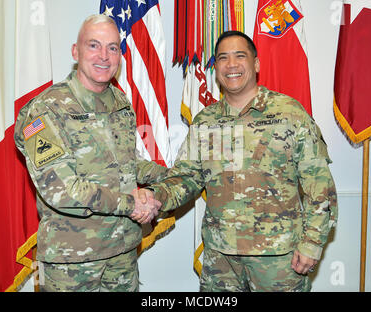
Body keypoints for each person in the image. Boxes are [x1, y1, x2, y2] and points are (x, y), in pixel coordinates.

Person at [134, 31, 338, 292]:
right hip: (220, 260)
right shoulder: (206, 121)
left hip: (278, 260)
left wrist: (312, 243)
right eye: (223, 58)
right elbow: (186, 178)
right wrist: (154, 195)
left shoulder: (289, 113)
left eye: (239, 56)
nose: (231, 65)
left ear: (256, 64)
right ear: (216, 67)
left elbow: (319, 185)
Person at [14, 14, 165, 292]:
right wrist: (132, 205)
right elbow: (63, 190)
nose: (104, 56)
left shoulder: (119, 102)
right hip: (71, 263)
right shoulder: (47, 109)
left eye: (112, 48)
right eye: (93, 45)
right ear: (76, 51)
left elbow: (127, 165)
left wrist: (175, 175)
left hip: (122, 254)